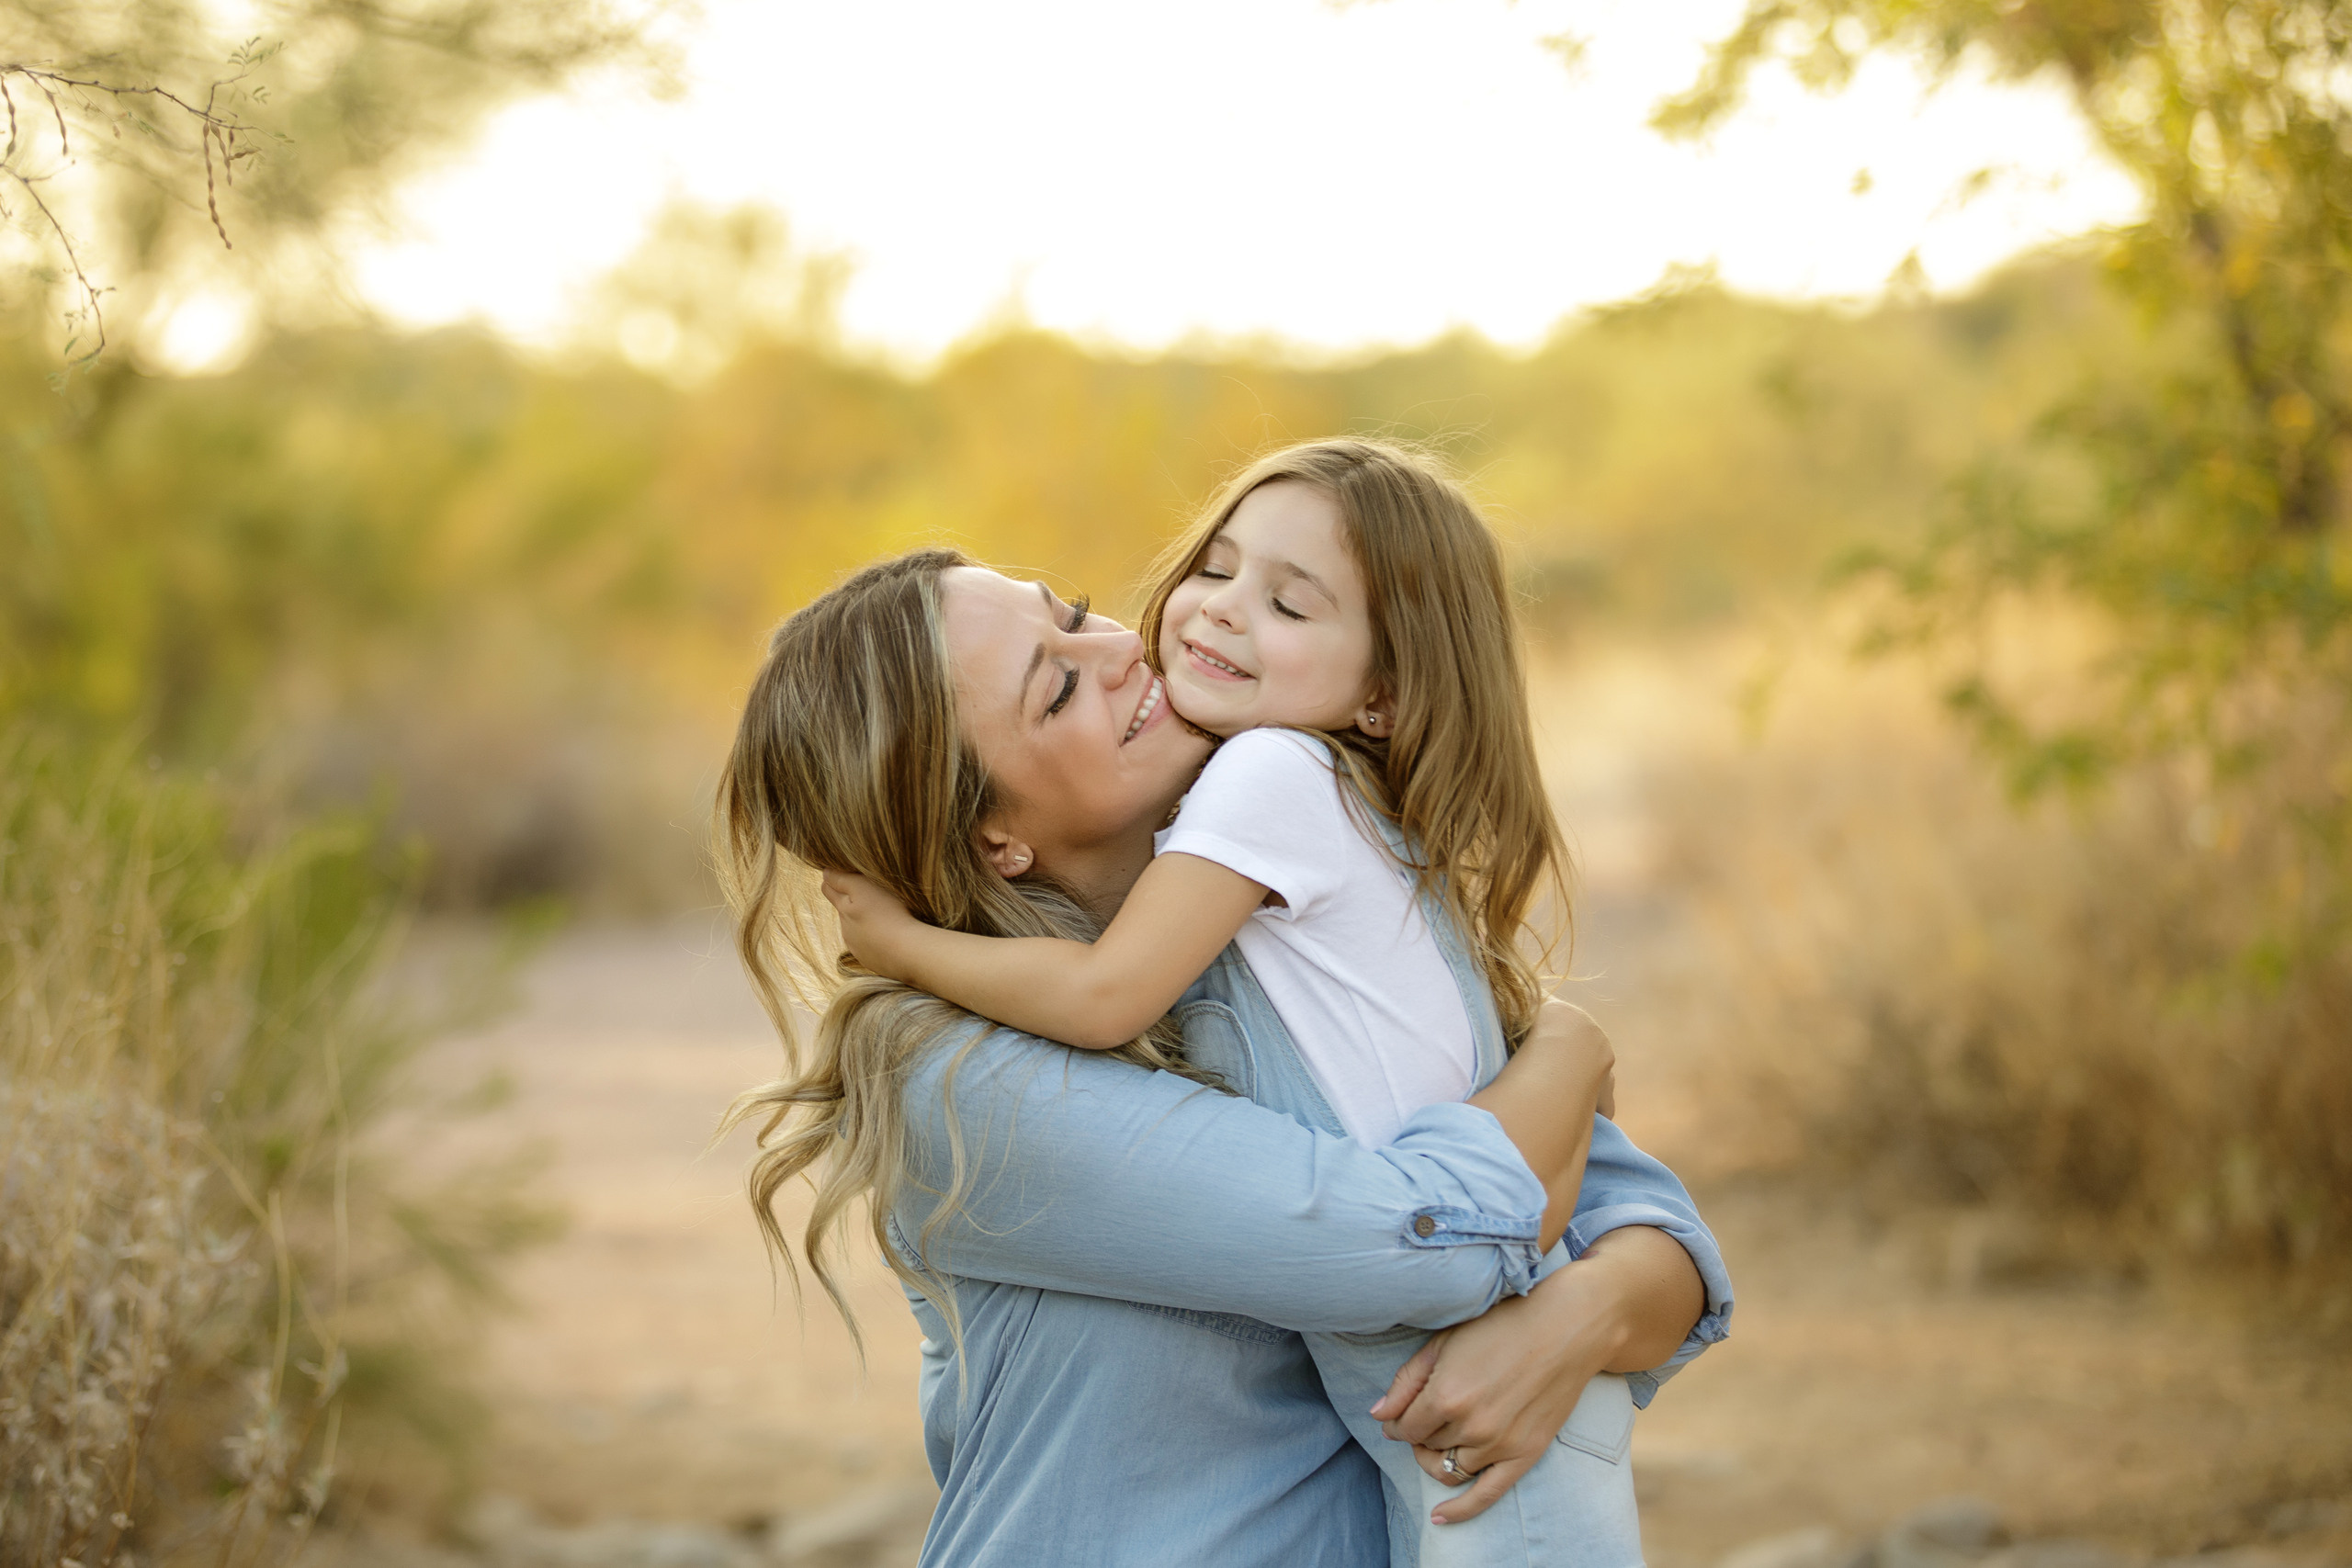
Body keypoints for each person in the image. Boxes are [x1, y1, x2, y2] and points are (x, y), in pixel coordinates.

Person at [714, 536, 1734, 1566]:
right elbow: (1426, 1250)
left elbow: (1657, 1244)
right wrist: (1567, 1044)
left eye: (1070, 611)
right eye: (1055, 686)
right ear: (991, 839)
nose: (1116, 649)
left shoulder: (1281, 923)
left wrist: (1576, 1320)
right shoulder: (953, 1077)